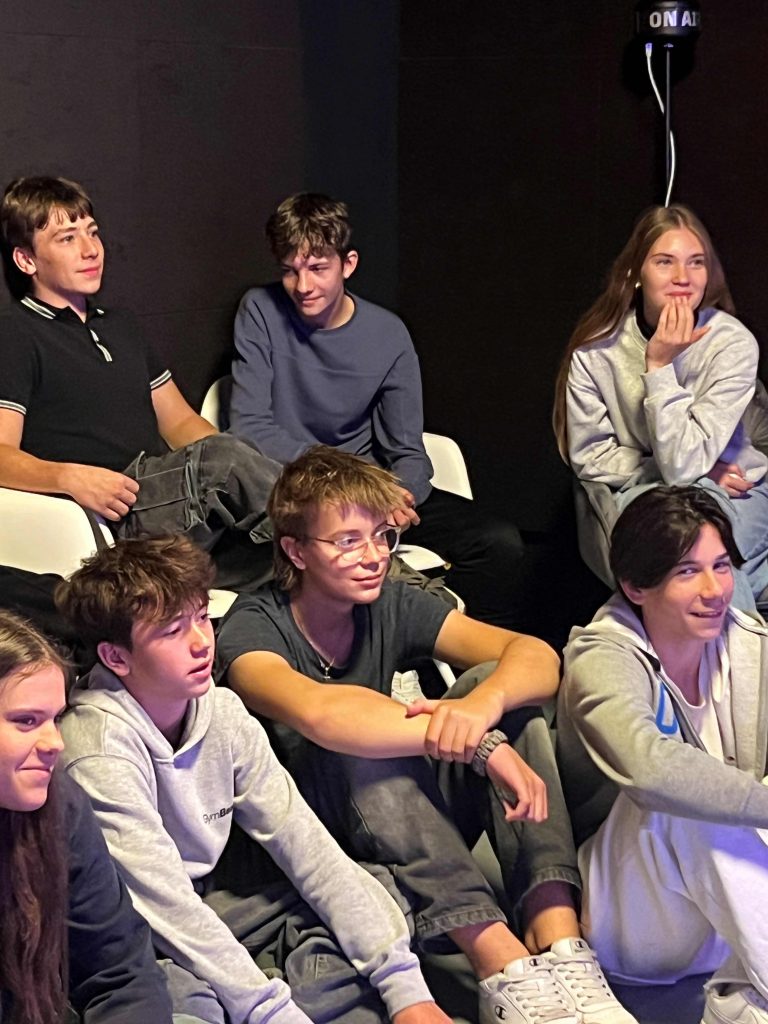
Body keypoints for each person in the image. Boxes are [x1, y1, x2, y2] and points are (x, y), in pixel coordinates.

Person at [216, 445, 637, 1024]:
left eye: (382, 536)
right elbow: (323, 715)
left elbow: (535, 655)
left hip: (402, 813)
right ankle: (500, 963)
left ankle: (559, 936)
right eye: (347, 541)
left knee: (499, 690)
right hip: (318, 833)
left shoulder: (389, 600)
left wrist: (484, 706)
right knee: (363, 746)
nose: (373, 557)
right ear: (295, 550)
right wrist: (483, 748)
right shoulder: (251, 626)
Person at [55, 534, 450, 1024]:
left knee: (380, 892)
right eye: (173, 630)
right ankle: (277, 993)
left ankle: (274, 988)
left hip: (214, 903)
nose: (202, 642)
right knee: (178, 1000)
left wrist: (407, 992)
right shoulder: (95, 749)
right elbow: (165, 907)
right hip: (133, 931)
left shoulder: (221, 710)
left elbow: (306, 846)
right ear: (116, 658)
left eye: (202, 617)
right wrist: (272, 1011)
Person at [228, 191, 524, 628]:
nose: (303, 286)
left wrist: (398, 497)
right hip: (293, 489)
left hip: (373, 493)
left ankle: (470, 653)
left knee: (499, 543)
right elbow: (249, 427)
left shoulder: (388, 333)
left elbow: (408, 449)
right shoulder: (260, 310)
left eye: (317, 268)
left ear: (348, 264)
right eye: (290, 271)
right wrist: (346, 482)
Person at [0, 176, 279, 590]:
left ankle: (350, 545)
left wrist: (244, 464)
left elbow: (180, 423)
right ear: (27, 260)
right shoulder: (16, 333)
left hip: (167, 496)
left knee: (285, 559)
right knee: (230, 466)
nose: (91, 249)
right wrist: (69, 478)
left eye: (93, 232)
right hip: (111, 512)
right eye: (67, 238)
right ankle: (339, 520)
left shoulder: (122, 325)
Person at [558, 485, 768, 1024]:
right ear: (635, 586)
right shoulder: (601, 655)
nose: (714, 590)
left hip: (727, 919)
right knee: (685, 797)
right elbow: (650, 770)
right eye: (687, 572)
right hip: (628, 911)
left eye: (721, 566)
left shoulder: (750, 644)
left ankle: (743, 1002)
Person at [553, 203, 768, 602]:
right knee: (679, 548)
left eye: (696, 262)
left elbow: (684, 465)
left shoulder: (732, 344)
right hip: (645, 489)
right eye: (665, 262)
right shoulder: (596, 350)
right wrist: (659, 364)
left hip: (737, 488)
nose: (683, 277)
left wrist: (661, 369)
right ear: (636, 272)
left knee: (702, 548)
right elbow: (591, 456)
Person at [0, 608, 174, 1024]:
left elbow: (121, 971)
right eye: (26, 721)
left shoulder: (60, 805)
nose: (55, 743)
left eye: (55, 719)